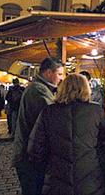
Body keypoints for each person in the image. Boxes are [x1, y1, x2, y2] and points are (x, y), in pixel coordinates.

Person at [28, 73, 105, 195]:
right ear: (85, 88)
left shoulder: (48, 111)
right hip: (88, 176)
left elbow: (35, 148)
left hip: (57, 177)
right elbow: (104, 134)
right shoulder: (95, 110)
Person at [12, 57, 64, 195]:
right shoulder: (38, 91)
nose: (61, 78)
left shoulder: (41, 88)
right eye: (59, 74)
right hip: (30, 156)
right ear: (48, 73)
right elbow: (52, 117)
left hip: (30, 154)